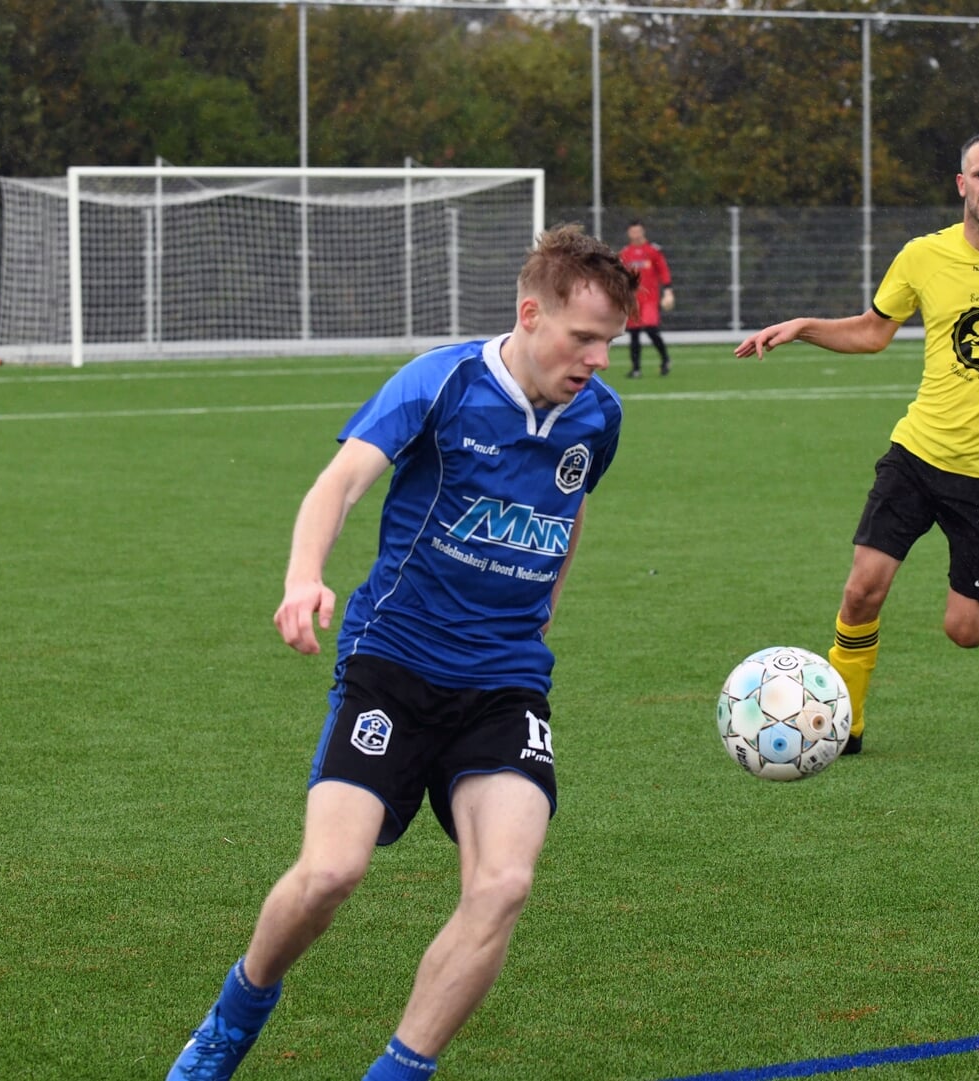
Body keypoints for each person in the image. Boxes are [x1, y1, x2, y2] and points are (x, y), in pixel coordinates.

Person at [166, 225, 637, 1081]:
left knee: (503, 885)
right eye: (584, 337)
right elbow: (338, 482)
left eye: (609, 340)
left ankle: (397, 1072)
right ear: (532, 315)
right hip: (396, 659)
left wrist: (538, 627)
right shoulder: (444, 380)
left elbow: (567, 521)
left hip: (505, 681)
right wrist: (304, 577)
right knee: (330, 873)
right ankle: (233, 1018)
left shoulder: (597, 419)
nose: (599, 358)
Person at [733, 132, 979, 755]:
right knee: (862, 587)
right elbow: (874, 332)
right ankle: (844, 724)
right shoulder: (922, 256)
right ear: (962, 184)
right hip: (918, 452)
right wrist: (804, 326)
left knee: (965, 628)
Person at [619, 220, 675, 377]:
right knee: (634, 333)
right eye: (633, 232)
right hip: (633, 300)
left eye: (638, 231)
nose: (636, 235)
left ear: (643, 232)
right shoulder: (625, 253)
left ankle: (665, 359)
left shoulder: (652, 251)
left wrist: (668, 290)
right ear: (629, 233)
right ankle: (636, 369)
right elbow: (619, 275)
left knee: (651, 329)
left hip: (650, 299)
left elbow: (663, 271)